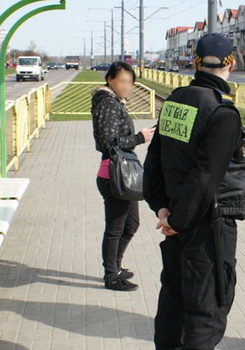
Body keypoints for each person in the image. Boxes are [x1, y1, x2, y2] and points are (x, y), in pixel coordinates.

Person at [143, 33, 245, 349]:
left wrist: (162, 208)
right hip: (207, 225)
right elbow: (206, 179)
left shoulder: (175, 100)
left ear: (195, 62)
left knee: (173, 299)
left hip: (176, 219)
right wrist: (178, 219)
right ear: (231, 63)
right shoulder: (222, 112)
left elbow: (154, 160)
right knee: (207, 308)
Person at [91, 61, 155, 292]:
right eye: (123, 81)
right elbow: (109, 144)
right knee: (116, 228)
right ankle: (111, 276)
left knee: (131, 224)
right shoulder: (108, 104)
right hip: (113, 175)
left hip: (120, 174)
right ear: (111, 80)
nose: (127, 86)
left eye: (131, 82)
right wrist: (139, 138)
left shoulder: (116, 102)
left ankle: (115, 266)